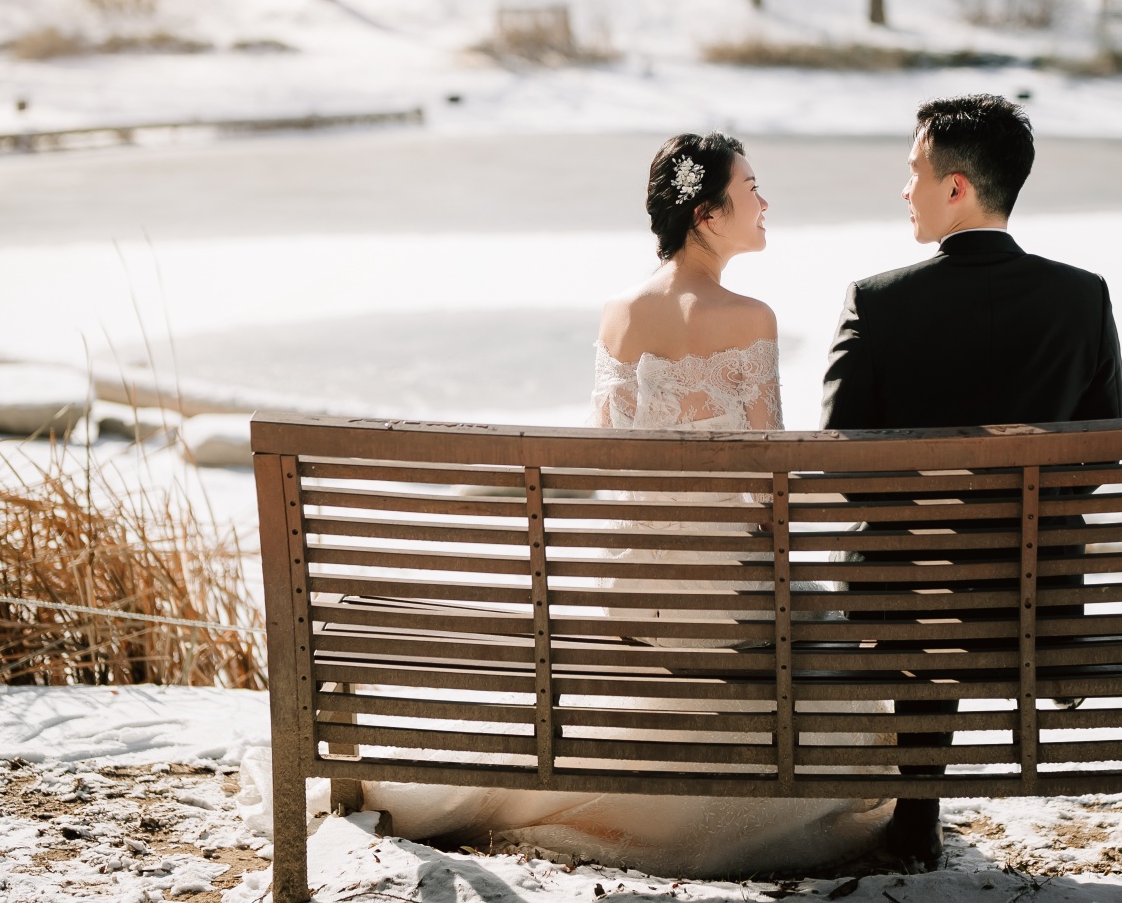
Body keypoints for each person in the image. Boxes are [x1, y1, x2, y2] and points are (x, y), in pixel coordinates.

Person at [359, 133, 888, 876]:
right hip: (727, 601)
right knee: (829, 623)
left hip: (625, 590)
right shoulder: (752, 317)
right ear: (708, 213)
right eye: (753, 187)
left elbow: (608, 458)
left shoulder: (617, 313)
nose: (766, 202)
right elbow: (768, 482)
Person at [820, 94, 1122, 869]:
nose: (904, 189)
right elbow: (1100, 458)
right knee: (959, 568)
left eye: (913, 171)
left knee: (917, 573)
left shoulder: (878, 301)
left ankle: (915, 811)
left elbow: (841, 462)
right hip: (1037, 607)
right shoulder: (1082, 298)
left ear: (956, 187)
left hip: (905, 607)